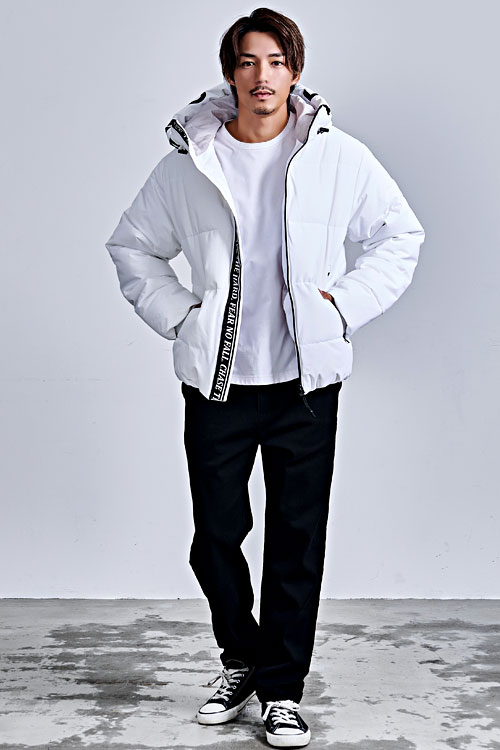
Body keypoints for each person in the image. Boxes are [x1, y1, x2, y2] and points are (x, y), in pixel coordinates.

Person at [105, 7, 425, 747]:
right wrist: (183, 317)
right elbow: (132, 246)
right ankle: (243, 656)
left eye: (277, 62)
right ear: (230, 73)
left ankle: (281, 689)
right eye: (248, 61)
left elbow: (400, 235)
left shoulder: (336, 157)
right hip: (217, 384)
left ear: (296, 72)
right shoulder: (189, 164)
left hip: (303, 387)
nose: (263, 76)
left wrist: (341, 306)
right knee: (216, 537)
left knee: (295, 540)